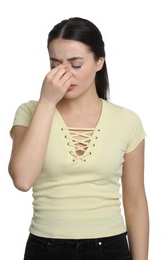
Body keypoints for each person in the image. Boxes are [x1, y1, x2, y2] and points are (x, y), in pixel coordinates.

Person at [8, 17, 149, 260]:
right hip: (46, 248)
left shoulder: (127, 121)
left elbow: (135, 200)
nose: (64, 73)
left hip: (110, 249)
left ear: (99, 62)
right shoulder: (30, 111)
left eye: (75, 64)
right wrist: (48, 102)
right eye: (55, 64)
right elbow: (22, 179)